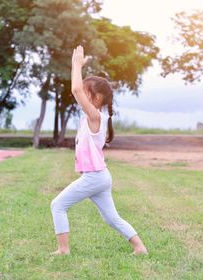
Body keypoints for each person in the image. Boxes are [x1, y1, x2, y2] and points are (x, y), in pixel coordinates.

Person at [50, 45, 148, 256]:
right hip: (99, 176)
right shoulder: (92, 119)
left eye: (86, 94)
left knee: (57, 205)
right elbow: (79, 89)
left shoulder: (96, 118)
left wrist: (76, 65)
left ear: (95, 100)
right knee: (111, 218)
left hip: (95, 177)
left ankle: (63, 250)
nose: (80, 97)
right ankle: (139, 247)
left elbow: (75, 89)